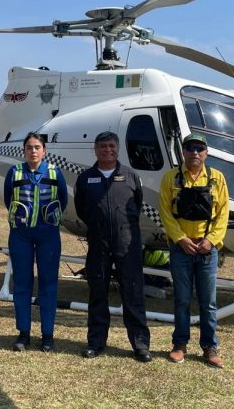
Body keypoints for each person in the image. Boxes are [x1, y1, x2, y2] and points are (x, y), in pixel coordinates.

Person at [74, 131, 152, 362]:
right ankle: (95, 343)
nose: (108, 150)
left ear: (118, 149)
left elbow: (136, 205)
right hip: (98, 242)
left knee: (133, 292)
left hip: (126, 242)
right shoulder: (86, 178)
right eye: (103, 146)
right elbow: (81, 208)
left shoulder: (130, 176)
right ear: (95, 150)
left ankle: (140, 345)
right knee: (98, 292)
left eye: (111, 146)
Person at [159, 133, 229, 368]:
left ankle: (210, 347)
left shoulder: (217, 178)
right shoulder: (171, 178)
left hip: (207, 250)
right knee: (182, 299)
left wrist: (211, 240)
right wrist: (180, 239)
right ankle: (179, 344)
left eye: (200, 148)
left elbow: (224, 213)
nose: (195, 153)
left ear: (206, 153)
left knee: (208, 301)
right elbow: (165, 212)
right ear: (183, 152)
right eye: (190, 148)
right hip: (181, 249)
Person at [4, 132, 68, 352]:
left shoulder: (54, 172)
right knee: (22, 283)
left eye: (37, 147)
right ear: (24, 150)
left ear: (44, 150)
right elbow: (7, 199)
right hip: (20, 234)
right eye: (29, 147)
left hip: (48, 233)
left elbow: (63, 199)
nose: (33, 151)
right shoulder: (14, 172)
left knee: (48, 284)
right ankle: (23, 333)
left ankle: (47, 335)